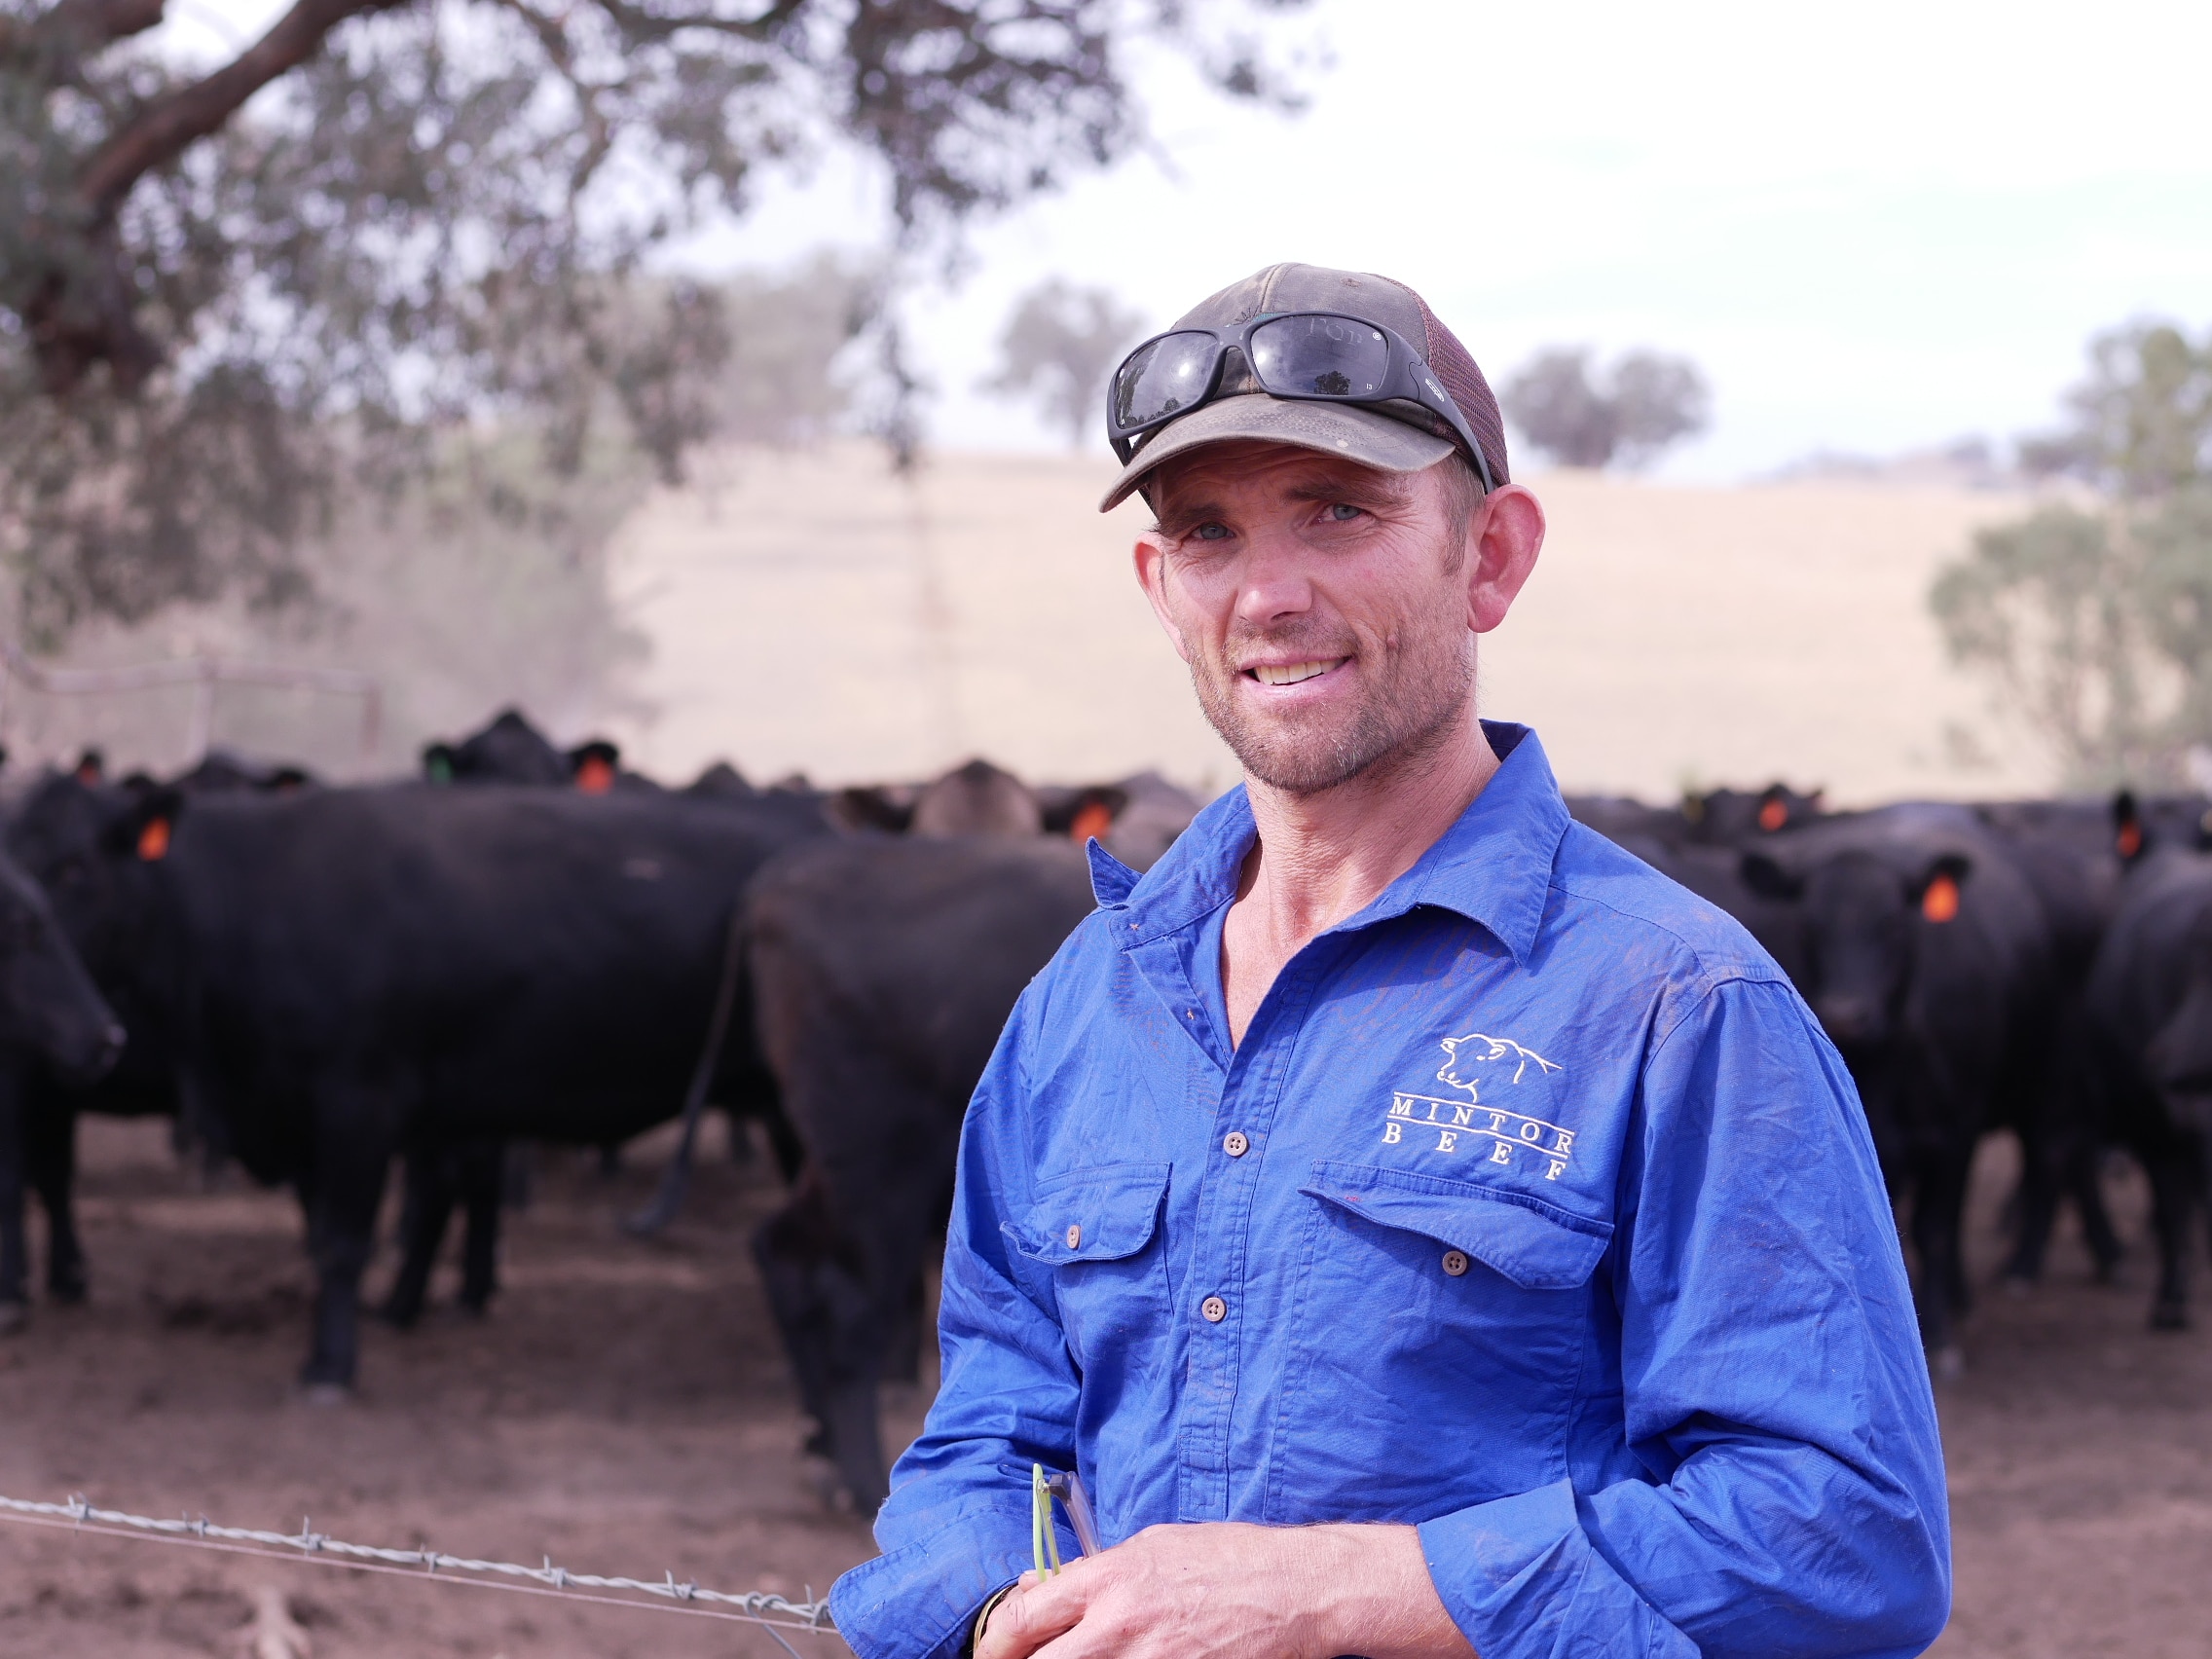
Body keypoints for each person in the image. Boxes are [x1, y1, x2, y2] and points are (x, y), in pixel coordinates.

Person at [828, 264, 1949, 1659]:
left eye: (1339, 512)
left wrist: (1331, 1593)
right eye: (1208, 532)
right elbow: (992, 1440)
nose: (1268, 594)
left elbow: (1846, 1538)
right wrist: (1001, 1605)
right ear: (1160, 589)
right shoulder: (1085, 1006)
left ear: (1491, 557)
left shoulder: (1676, 1007)